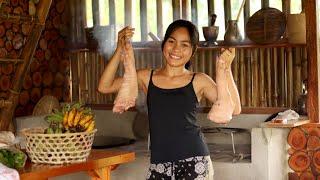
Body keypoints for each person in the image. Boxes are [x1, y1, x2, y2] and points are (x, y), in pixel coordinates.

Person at [98, 19, 241, 180]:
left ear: (193, 51)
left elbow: (234, 109)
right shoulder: (147, 77)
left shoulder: (199, 80)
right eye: (171, 41)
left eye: (184, 45)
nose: (176, 49)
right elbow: (104, 86)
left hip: (195, 162)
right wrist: (119, 48)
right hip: (159, 164)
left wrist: (226, 68)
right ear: (164, 44)